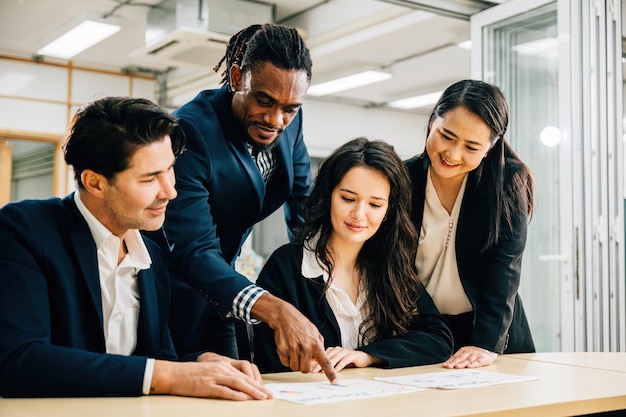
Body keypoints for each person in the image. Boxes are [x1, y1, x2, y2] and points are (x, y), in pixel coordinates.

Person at [0, 96, 272, 400]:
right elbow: (17, 360)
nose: (170, 191)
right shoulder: (25, 230)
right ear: (95, 183)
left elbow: (155, 362)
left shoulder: (153, 256)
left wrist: (198, 363)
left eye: (169, 169)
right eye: (149, 179)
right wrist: (170, 375)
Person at [149, 23, 337, 382]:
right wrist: (275, 309)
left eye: (290, 108)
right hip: (174, 292)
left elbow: (303, 207)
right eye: (263, 101)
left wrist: (325, 280)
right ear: (237, 77)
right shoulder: (190, 131)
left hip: (226, 293)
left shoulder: (290, 122)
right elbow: (193, 250)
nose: (275, 119)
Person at [253, 138, 454, 373]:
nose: (359, 214)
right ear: (328, 196)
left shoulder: (391, 264)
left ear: (389, 211)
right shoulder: (287, 266)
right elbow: (269, 359)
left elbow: (438, 338)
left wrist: (368, 356)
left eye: (375, 205)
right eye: (348, 199)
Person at [405, 79, 536, 369]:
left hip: (489, 333)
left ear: (489, 148)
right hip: (424, 332)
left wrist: (485, 344)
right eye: (446, 136)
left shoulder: (507, 182)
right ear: (431, 121)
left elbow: (505, 267)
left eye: (471, 147)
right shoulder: (402, 177)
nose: (453, 154)